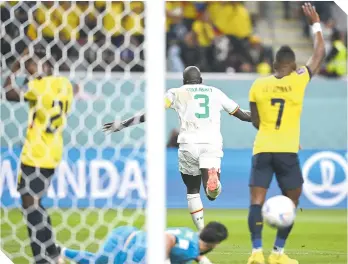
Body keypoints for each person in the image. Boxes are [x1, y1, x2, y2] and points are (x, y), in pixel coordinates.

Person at [103, 66, 251, 263]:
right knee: (212, 195)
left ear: (183, 80)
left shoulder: (175, 93)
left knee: (192, 191)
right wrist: (263, 116)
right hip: (211, 144)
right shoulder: (215, 92)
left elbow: (152, 112)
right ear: (201, 80)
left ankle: (201, 233)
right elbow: (241, 114)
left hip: (188, 144)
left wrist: (123, 124)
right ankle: (213, 183)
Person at [247, 3, 325, 264]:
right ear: (292, 66)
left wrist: (270, 129)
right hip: (287, 150)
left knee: (256, 202)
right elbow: (319, 54)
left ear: (273, 64)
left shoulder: (258, 85)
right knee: (292, 201)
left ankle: (256, 252)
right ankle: (278, 254)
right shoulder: (298, 79)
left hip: (262, 148)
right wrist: (315, 24)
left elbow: (255, 122)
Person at [2, 45, 74, 264]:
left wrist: (15, 67)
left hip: (36, 152)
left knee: (30, 204)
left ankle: (43, 258)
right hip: (53, 152)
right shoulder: (64, 85)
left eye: (32, 65)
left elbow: (8, 92)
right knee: (35, 203)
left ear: (46, 65)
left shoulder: (38, 86)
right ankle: (52, 252)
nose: (29, 70)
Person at [59, 221, 228, 264]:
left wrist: (200, 259)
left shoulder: (189, 235)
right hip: (128, 247)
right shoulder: (190, 248)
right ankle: (58, 251)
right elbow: (168, 239)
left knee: (97, 261)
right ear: (216, 243)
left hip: (129, 236)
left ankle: (58, 251)